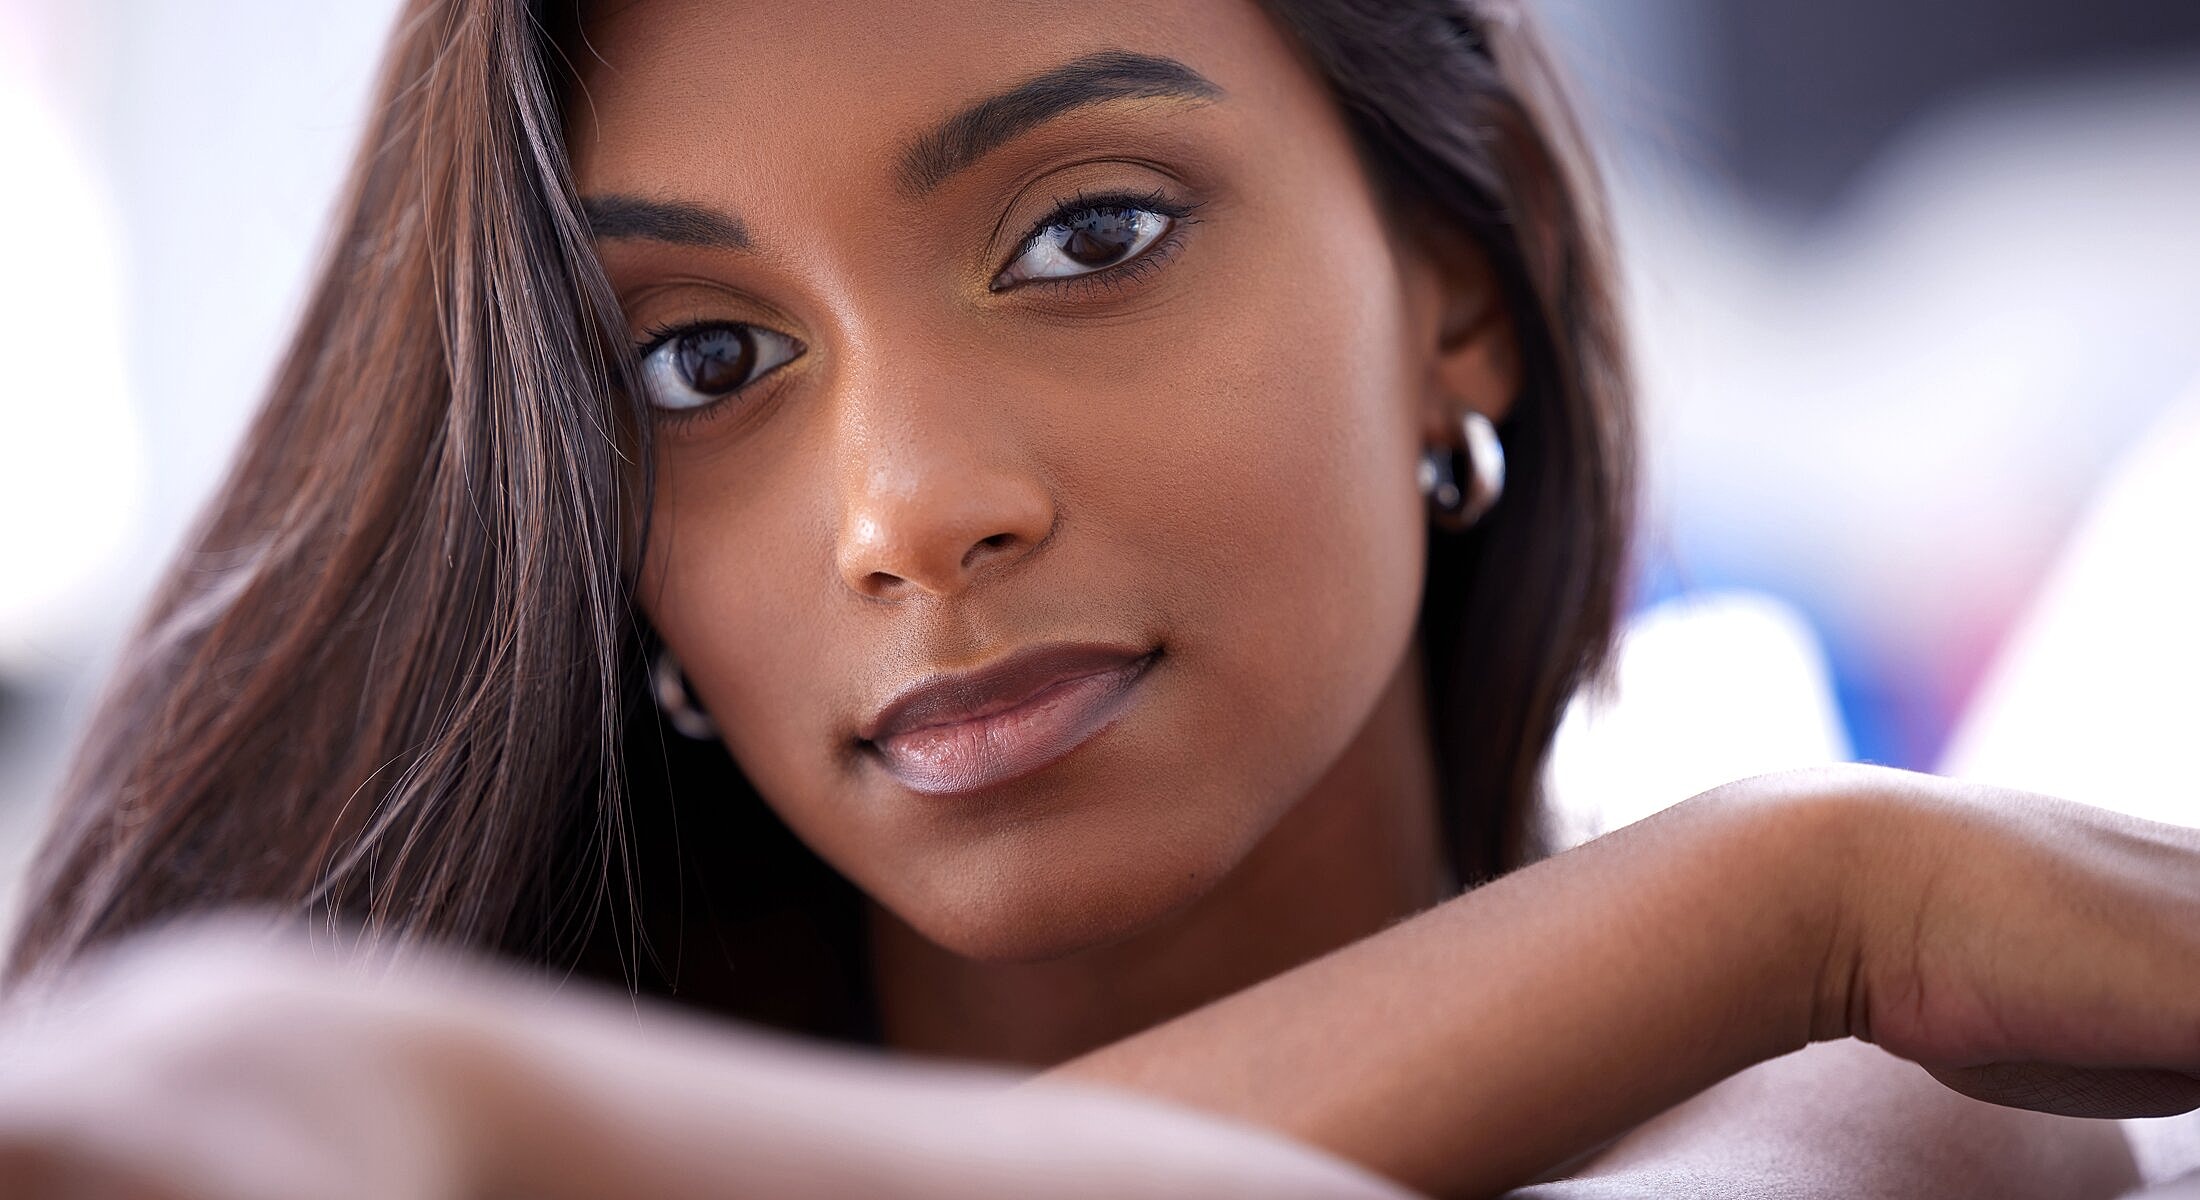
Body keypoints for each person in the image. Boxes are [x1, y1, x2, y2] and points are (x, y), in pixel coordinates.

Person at [3, 1, 2198, 1196]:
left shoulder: (1870, 1105)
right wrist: (1779, 895)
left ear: (1460, 280)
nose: (909, 508)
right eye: (699, 365)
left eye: (1089, 236)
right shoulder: (297, 1089)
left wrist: (1802, 935)